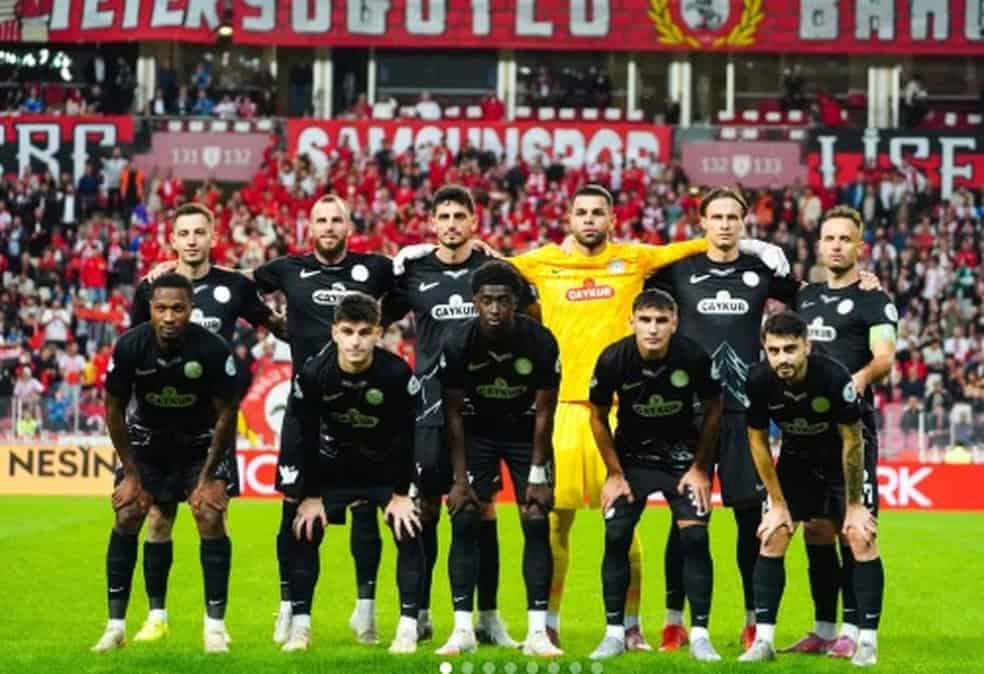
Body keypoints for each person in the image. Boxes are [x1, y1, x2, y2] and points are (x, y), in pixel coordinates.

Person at [393, 183, 789, 649]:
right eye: (581, 212)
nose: (589, 219)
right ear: (569, 219)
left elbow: (701, 244)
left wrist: (756, 246)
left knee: (623, 522)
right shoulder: (543, 261)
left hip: (618, 412)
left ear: (611, 219)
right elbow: (487, 265)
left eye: (597, 212)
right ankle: (548, 623)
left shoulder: (635, 258)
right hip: (560, 409)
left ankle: (630, 627)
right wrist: (422, 252)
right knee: (552, 522)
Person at [644, 187, 800, 650]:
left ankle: (752, 620)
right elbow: (633, 275)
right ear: (703, 223)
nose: (726, 224)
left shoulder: (759, 270)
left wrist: (862, 281)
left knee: (749, 518)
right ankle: (674, 620)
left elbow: (808, 297)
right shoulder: (679, 270)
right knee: (685, 520)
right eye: (718, 217)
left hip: (743, 414)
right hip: (688, 415)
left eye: (734, 217)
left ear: (744, 223)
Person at [126, 203, 286, 643]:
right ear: (172, 240)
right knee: (158, 518)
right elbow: (133, 347)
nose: (192, 239)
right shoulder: (151, 288)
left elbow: (274, 325)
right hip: (159, 423)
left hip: (212, 426)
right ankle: (156, 618)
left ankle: (215, 625)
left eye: (200, 232)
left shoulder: (233, 285)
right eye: (184, 233)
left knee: (211, 515)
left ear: (213, 236)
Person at [383, 186, 535, 645]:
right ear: (433, 223)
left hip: (485, 409)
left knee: (481, 509)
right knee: (425, 508)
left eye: (459, 216)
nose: (452, 224)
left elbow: (533, 313)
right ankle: (419, 613)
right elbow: (373, 317)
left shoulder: (493, 272)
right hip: (430, 408)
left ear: (474, 222)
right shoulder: (414, 272)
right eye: (444, 216)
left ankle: (487, 618)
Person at [252, 195, 394, 646]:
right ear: (309, 227)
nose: (329, 227)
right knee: (294, 510)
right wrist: (273, 322)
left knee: (366, 509)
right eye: (321, 220)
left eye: (336, 220)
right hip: (307, 409)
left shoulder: (374, 268)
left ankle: (365, 612)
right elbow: (239, 285)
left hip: (363, 408)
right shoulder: (287, 269)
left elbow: (414, 284)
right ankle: (290, 609)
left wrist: (380, 323)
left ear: (348, 226)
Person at [90, 273, 239, 654]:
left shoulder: (213, 348)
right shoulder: (130, 346)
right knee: (128, 512)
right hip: (148, 443)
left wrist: (207, 477)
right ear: (151, 309)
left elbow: (227, 413)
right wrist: (131, 475)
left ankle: (215, 628)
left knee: (209, 514)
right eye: (161, 308)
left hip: (200, 443)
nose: (169, 317)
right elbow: (113, 409)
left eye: (177, 308)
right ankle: (115, 627)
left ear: (191, 309)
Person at [739, 312, 883, 667]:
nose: (782, 358)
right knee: (774, 534)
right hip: (798, 456)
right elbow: (757, 442)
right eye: (774, 350)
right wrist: (777, 503)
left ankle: (866, 642)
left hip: (844, 457)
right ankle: (765, 642)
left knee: (859, 535)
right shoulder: (757, 380)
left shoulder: (833, 377)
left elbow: (853, 441)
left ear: (807, 345)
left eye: (790, 349)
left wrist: (853, 505)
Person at [587, 289, 722, 662]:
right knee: (616, 534)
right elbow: (597, 416)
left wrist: (700, 468)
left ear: (674, 323)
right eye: (645, 320)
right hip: (633, 461)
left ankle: (700, 635)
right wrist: (614, 473)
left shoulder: (693, 356)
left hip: (682, 461)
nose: (653, 329)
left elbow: (714, 408)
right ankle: (614, 634)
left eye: (661, 321)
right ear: (631, 321)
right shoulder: (613, 358)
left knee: (695, 538)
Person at [435, 261, 561, 657]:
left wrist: (538, 473)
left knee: (536, 517)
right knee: (466, 516)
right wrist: (459, 479)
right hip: (477, 431)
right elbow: (453, 413)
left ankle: (537, 633)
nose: (495, 308)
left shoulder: (540, 340)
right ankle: (463, 630)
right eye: (487, 300)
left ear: (516, 302)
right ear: (475, 301)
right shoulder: (458, 341)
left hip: (526, 433)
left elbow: (545, 412)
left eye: (503, 300)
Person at [287, 293, 424, 653]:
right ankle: (300, 627)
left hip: (383, 472)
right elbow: (305, 436)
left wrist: (401, 494)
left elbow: (408, 436)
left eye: (364, 332)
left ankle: (407, 628)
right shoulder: (314, 374)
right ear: (335, 332)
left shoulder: (396, 373)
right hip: (334, 470)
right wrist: (311, 496)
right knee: (305, 528)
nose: (356, 342)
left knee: (409, 528)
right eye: (348, 332)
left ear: (378, 333)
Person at [787, 205, 896, 657]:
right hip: (805, 434)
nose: (836, 246)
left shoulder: (875, 300)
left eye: (845, 239)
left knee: (857, 531)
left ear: (859, 247)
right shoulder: (805, 297)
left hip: (851, 430)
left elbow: (885, 356)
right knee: (815, 531)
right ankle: (824, 628)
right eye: (829, 238)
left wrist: (860, 379)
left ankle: (857, 632)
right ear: (818, 246)